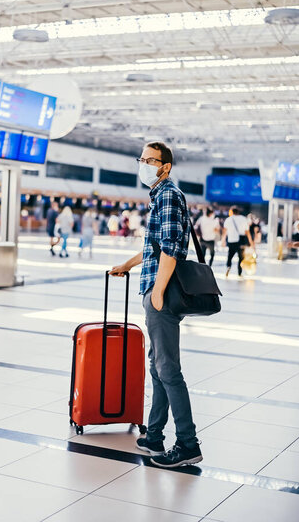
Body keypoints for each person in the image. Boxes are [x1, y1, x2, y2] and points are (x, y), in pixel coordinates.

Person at [110, 141, 202, 468]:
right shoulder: (159, 197)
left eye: (151, 160)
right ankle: (155, 435)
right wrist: (128, 264)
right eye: (142, 159)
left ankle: (188, 444)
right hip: (153, 286)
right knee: (157, 366)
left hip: (160, 292)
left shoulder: (168, 196)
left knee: (168, 369)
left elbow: (171, 249)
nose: (144, 164)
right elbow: (153, 248)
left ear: (165, 167)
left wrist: (158, 292)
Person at [222, 206, 254, 277]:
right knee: (241, 257)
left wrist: (223, 241)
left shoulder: (228, 219)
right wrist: (251, 242)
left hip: (231, 241)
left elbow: (225, 231)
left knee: (230, 256)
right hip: (241, 242)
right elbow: (247, 232)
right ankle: (239, 272)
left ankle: (228, 267)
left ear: (232, 212)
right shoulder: (243, 219)